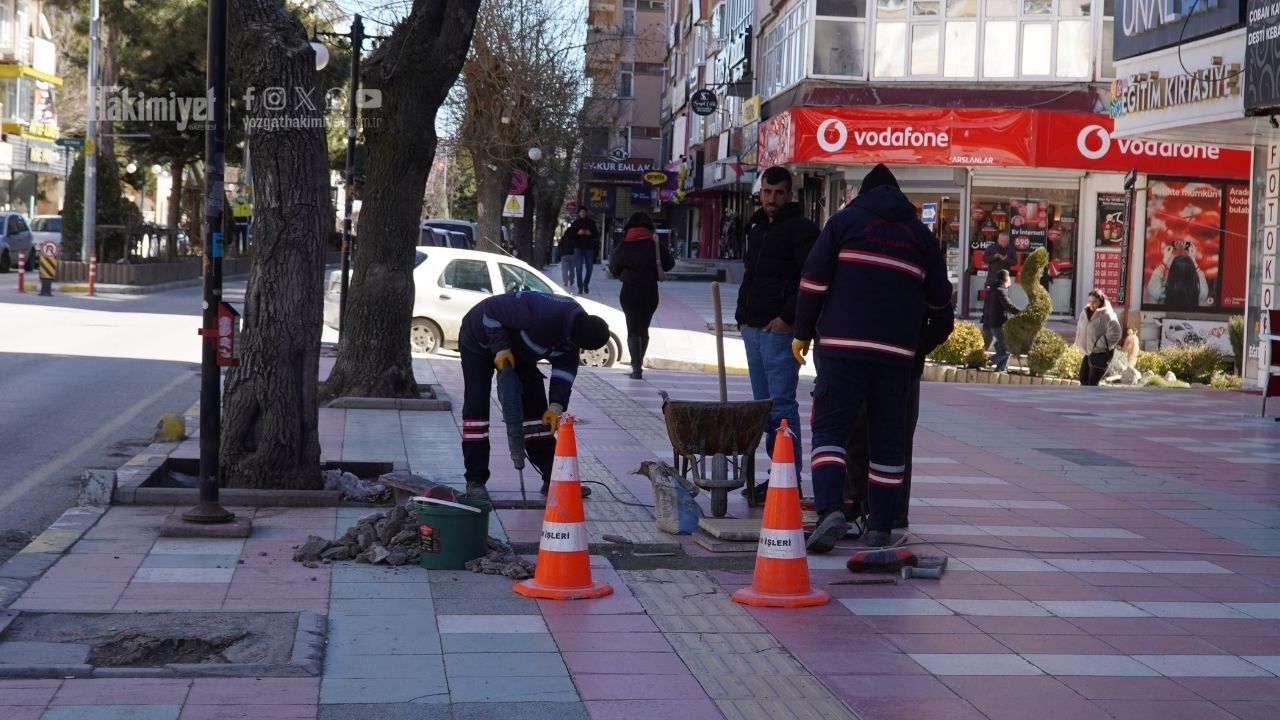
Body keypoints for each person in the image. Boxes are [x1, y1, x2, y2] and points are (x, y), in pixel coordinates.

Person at [792, 163, 951, 551]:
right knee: (887, 440)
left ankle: (831, 509)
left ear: (861, 194)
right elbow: (942, 310)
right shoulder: (921, 236)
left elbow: (813, 282)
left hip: (842, 350)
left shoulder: (844, 223)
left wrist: (802, 333)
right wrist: (915, 348)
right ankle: (880, 526)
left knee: (830, 430)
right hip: (894, 358)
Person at [458, 291, 610, 501]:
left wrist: (556, 406)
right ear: (569, 334)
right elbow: (490, 311)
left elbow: (564, 372)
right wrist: (501, 348)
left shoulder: (575, 337)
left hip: (520, 354)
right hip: (478, 340)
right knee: (477, 410)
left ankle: (553, 479)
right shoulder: (540, 313)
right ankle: (475, 480)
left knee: (538, 414)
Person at [734, 165, 819, 500]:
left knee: (781, 408)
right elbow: (750, 273)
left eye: (779, 193)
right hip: (753, 329)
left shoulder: (802, 230)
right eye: (767, 193)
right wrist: (742, 318)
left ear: (790, 194)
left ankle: (789, 482)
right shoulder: (756, 225)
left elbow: (809, 280)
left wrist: (787, 318)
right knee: (763, 409)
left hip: (778, 332)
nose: (772, 199)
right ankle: (776, 477)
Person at [844, 301, 953, 531]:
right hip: (855, 359)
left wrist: (912, 349)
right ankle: (855, 504)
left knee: (895, 440)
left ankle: (891, 515)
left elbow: (943, 320)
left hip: (901, 366)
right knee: (854, 433)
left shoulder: (924, 265)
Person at [608, 212, 675, 379]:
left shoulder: (624, 245)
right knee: (644, 327)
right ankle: (639, 365)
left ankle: (636, 368)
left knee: (633, 328)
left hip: (629, 291)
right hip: (650, 291)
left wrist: (627, 271)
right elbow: (669, 264)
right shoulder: (655, 244)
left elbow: (613, 268)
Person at [1145, 240, 1209, 307]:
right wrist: (1193, 259)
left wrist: (1165, 259)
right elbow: (1201, 277)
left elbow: (1155, 277)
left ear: (1171, 274)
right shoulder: (1201, 294)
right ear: (1192, 274)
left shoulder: (1160, 294)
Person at [1080, 289, 1122, 386]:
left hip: (1101, 353)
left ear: (1101, 301)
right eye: (1089, 301)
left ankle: (1095, 401)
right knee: (1083, 379)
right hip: (1089, 352)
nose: (1091, 304)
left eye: (1094, 302)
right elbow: (1082, 327)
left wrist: (1099, 344)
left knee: (1092, 384)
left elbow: (1116, 333)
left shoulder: (1107, 314)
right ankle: (1085, 400)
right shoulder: (1087, 312)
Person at [982, 269, 1021, 372]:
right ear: (1005, 278)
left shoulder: (993, 289)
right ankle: (986, 362)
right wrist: (1022, 313)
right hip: (999, 324)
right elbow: (1008, 306)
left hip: (995, 323)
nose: (1010, 280)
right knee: (1007, 349)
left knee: (1002, 349)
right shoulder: (1001, 290)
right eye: (1009, 277)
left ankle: (1002, 369)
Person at [566, 208, 601, 294]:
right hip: (578, 248)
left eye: (584, 212)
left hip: (589, 248)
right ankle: (580, 287)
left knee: (590, 268)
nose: (582, 213)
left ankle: (585, 284)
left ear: (586, 213)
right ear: (579, 213)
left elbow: (596, 235)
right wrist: (578, 233)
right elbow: (570, 235)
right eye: (581, 212)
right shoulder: (575, 223)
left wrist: (590, 234)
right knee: (578, 268)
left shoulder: (591, 223)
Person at [557, 226, 576, 292]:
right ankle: (571, 281)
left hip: (564, 255)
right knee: (572, 269)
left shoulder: (563, 238)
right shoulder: (574, 239)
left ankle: (565, 282)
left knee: (564, 269)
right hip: (573, 255)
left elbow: (559, 247)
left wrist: (560, 254)